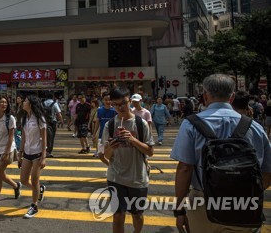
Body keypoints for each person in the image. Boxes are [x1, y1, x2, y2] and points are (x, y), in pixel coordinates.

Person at [171, 74, 271, 233]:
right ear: (232, 97)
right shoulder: (255, 128)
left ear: (205, 95)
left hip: (202, 203)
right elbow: (267, 173)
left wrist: (179, 210)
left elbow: (185, 169)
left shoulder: (190, 125)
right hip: (245, 205)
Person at [102, 87, 154, 233]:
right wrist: (111, 147)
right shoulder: (110, 125)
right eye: (116, 105)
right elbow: (106, 155)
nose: (120, 108)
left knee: (137, 215)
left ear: (129, 101)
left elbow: (150, 152)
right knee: (118, 215)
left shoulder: (140, 124)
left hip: (137, 178)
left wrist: (132, 139)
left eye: (123, 103)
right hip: (115, 177)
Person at [18, 95, 47, 219]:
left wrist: (44, 156)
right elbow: (23, 137)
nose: (23, 102)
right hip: (27, 153)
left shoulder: (40, 118)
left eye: (25, 101)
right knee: (24, 180)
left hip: (37, 153)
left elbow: (44, 138)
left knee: (34, 179)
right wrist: (20, 152)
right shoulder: (24, 118)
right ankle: (38, 189)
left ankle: (34, 206)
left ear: (30, 104)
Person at [42, 92, 62, 158]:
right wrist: (61, 121)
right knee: (51, 137)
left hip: (44, 122)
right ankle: (49, 151)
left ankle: (44, 151)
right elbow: (59, 114)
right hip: (52, 122)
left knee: (44, 137)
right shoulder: (54, 103)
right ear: (52, 97)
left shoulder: (42, 103)